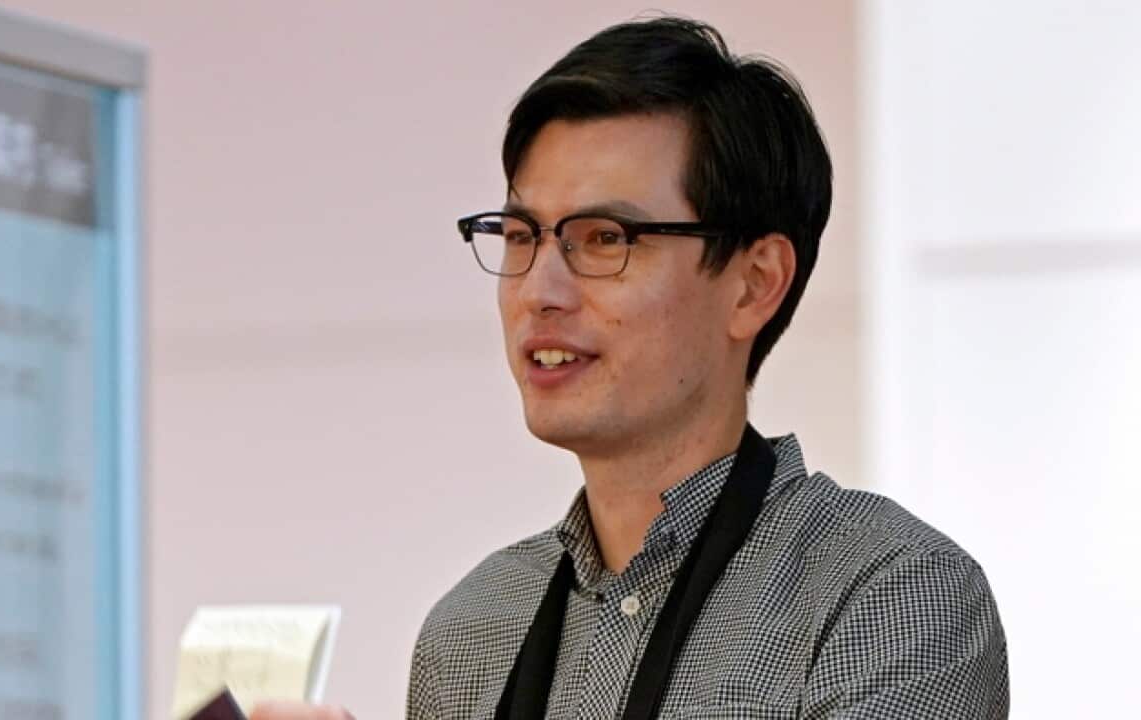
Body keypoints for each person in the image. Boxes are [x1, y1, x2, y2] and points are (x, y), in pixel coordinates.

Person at [256, 16, 1008, 720]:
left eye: (605, 237)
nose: (539, 290)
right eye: (521, 235)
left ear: (753, 284)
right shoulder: (471, 628)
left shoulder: (889, 593)